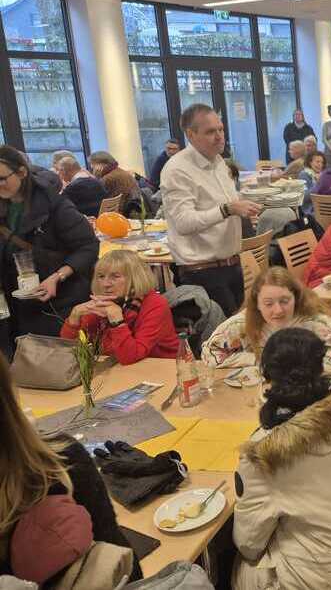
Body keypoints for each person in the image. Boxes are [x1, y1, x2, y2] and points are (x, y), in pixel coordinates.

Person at [232, 328, 331, 589]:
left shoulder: (264, 454)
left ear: (267, 379)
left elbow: (249, 545)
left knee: (241, 568)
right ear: (322, 366)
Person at [0, 353, 144, 582]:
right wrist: (77, 319)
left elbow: (132, 350)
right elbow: (123, 565)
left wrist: (115, 323)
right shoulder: (63, 462)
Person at [162, 104, 262, 317]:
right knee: (222, 342)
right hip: (202, 271)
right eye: (210, 132)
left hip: (232, 263)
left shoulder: (218, 161)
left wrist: (242, 209)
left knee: (240, 334)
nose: (219, 136)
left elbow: (224, 207)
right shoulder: (177, 169)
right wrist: (228, 209)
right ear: (191, 134)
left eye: (221, 129)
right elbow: (183, 222)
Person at [0, 147, 98, 348]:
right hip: (16, 305)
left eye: (1, 178)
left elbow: (88, 246)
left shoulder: (53, 204)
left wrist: (57, 276)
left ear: (21, 172)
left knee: (59, 365)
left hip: (59, 301)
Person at [203, 266, 331, 381]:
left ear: (296, 298)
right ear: (257, 304)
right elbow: (210, 353)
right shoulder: (241, 324)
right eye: (268, 303)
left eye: (285, 301)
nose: (278, 310)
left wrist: (293, 367)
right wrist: (256, 361)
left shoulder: (316, 323)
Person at [61, 250, 178, 365]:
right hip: (119, 370)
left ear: (134, 278)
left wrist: (117, 321)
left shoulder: (155, 304)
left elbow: (130, 356)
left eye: (115, 277)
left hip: (162, 368)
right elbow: (70, 352)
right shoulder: (102, 303)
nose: (105, 284)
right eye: (101, 276)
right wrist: (74, 317)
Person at [88, 151, 142, 218]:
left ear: (100, 164)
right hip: (134, 212)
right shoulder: (121, 172)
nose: (92, 168)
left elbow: (99, 203)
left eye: (93, 165)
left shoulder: (108, 179)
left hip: (121, 216)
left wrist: (96, 177)